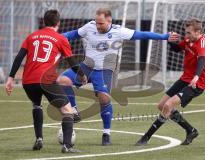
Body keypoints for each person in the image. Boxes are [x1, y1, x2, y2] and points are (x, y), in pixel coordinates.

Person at [57, 8, 179, 146]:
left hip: (104, 70)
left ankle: (106, 134)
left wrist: (164, 36)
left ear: (109, 20)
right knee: (62, 80)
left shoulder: (118, 31)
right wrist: (55, 37)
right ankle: (74, 111)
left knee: (103, 98)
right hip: (86, 66)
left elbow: (143, 34)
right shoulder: (89, 27)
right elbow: (72, 34)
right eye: (97, 23)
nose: (98, 26)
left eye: (101, 23)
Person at [5, 9, 82, 153]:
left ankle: (39, 138)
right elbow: (71, 61)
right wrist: (82, 75)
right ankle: (67, 145)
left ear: (43, 22)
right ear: (58, 23)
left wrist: (10, 77)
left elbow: (19, 57)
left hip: (28, 81)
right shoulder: (60, 38)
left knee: (37, 105)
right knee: (68, 111)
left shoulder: (31, 37)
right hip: (46, 80)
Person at [136, 19, 205, 146]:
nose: (186, 36)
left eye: (189, 33)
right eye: (185, 32)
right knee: (161, 105)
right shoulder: (189, 40)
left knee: (168, 105)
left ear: (198, 31)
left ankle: (146, 137)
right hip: (185, 79)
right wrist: (170, 41)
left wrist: (196, 77)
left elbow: (202, 61)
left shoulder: (204, 44)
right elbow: (177, 49)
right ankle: (190, 130)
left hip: (197, 83)